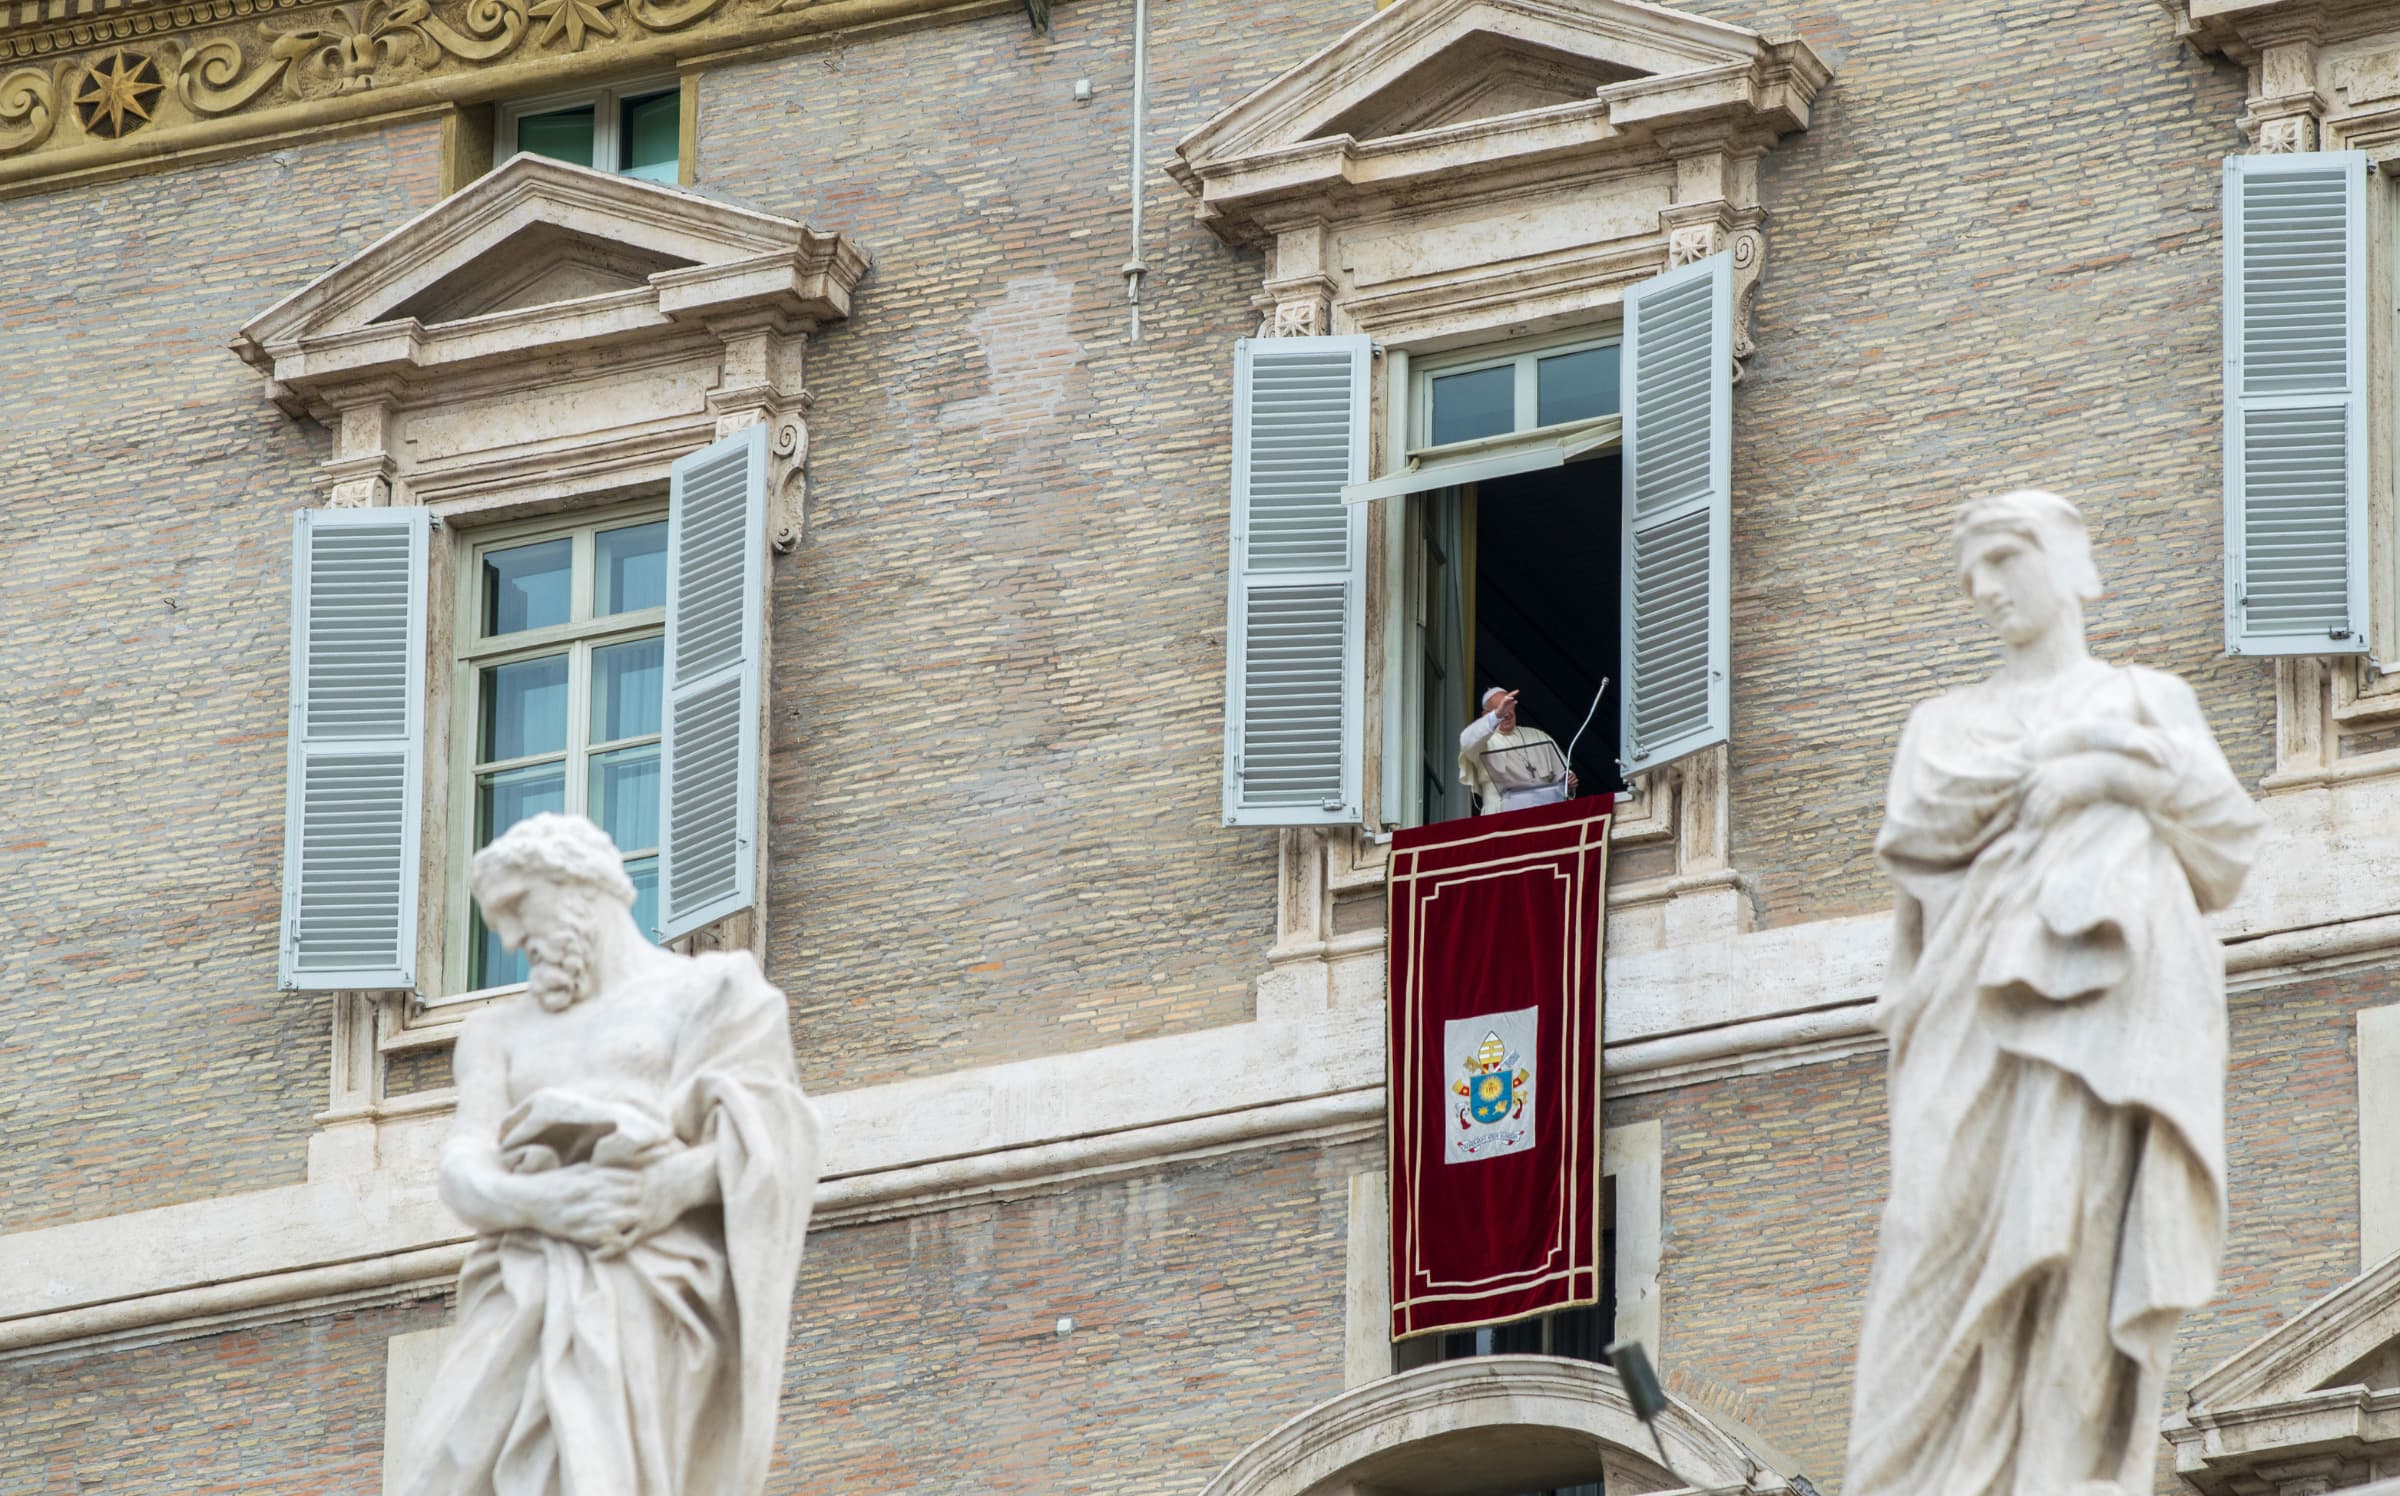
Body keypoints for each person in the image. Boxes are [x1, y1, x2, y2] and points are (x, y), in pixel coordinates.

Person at [1844, 491, 2261, 1495]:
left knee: (2081, 1249)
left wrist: (2109, 768)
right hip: (1963, 1031)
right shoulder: (1938, 726)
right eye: (1970, 571)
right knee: (1926, 1246)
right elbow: (1913, 924)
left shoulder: (2145, 700)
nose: (1983, 588)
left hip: (2115, 1029)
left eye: (2000, 558)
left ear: (2066, 560)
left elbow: (2229, 843)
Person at [400, 813, 821, 1496]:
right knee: (438, 1467)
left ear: (577, 886)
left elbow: (780, 1137)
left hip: (650, 1285)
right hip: (522, 1284)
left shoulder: (712, 992)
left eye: (515, 909)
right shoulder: (494, 1032)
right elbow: (463, 1163)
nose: (509, 940)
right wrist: (546, 1203)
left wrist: (673, 1189)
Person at [1458, 686, 1576, 815]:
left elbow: (1561, 778)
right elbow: (1466, 741)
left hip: (1545, 814)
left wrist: (1567, 783)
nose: (1506, 713)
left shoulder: (1538, 735)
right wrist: (1497, 715)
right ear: (1486, 715)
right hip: (1501, 818)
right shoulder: (1482, 743)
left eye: (1508, 706)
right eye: (1500, 708)